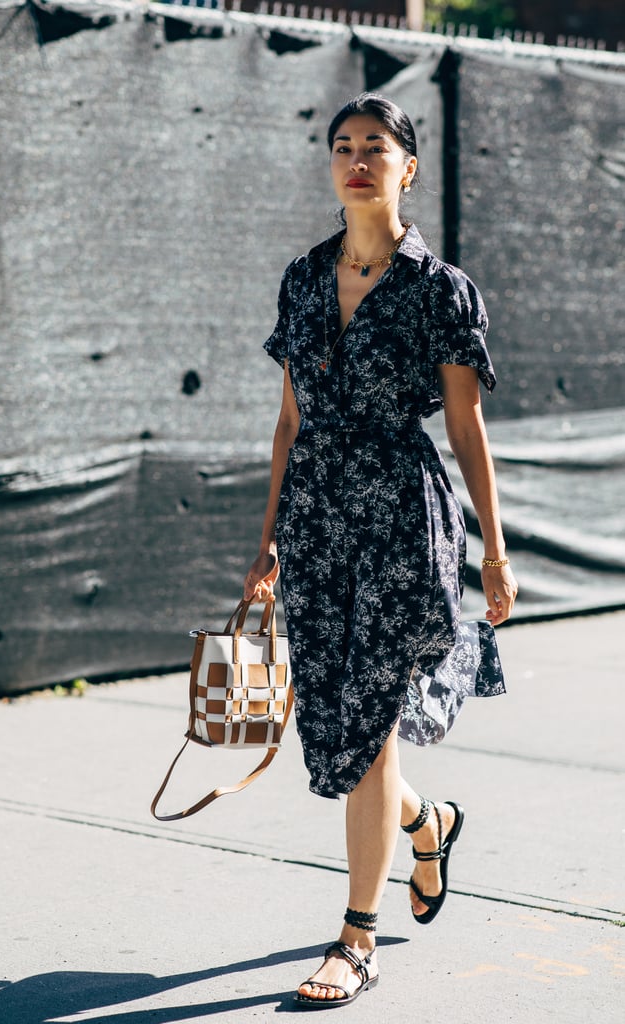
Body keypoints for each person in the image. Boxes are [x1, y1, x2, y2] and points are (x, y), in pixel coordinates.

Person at [243, 93, 518, 1009]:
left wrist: (495, 552)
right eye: (343, 147)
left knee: (371, 726)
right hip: (317, 521)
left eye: (376, 148)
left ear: (407, 168)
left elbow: (468, 428)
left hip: (404, 519)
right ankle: (428, 822)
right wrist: (267, 542)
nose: (357, 160)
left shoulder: (440, 289)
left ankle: (354, 940)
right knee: (343, 730)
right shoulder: (300, 277)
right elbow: (287, 422)